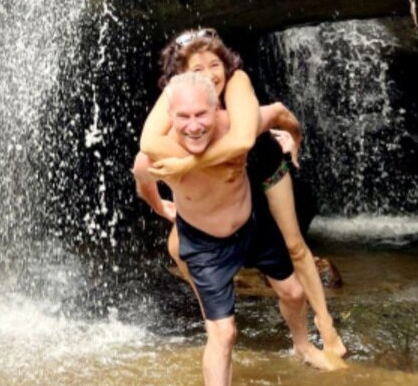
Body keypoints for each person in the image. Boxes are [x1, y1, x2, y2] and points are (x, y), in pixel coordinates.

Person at [138, 28, 346, 359]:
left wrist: (296, 142)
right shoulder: (179, 98)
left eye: (213, 65)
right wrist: (161, 201)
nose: (209, 75)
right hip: (225, 177)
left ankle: (325, 325)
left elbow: (269, 120)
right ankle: (214, 310)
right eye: (197, 69)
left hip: (261, 163)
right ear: (180, 76)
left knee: (292, 244)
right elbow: (146, 152)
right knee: (177, 246)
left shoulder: (237, 82)